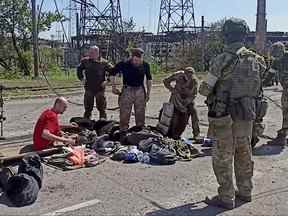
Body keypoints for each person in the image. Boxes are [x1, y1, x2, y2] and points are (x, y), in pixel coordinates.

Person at [199, 18, 266, 209]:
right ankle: (245, 191)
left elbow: (205, 89)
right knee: (244, 152)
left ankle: (226, 197)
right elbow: (261, 85)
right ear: (244, 35)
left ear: (226, 35)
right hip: (247, 115)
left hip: (225, 116)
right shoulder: (257, 59)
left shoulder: (222, 59)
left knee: (222, 156)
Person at [110, 48, 152, 140]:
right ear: (132, 57)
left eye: (139, 59)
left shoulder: (145, 65)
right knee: (125, 112)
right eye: (135, 59)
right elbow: (112, 73)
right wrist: (113, 87)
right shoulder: (124, 64)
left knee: (140, 112)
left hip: (140, 90)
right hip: (127, 90)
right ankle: (123, 132)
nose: (137, 62)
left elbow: (149, 79)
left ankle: (139, 130)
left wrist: (148, 93)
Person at [163, 67, 200, 139]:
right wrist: (172, 89)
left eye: (191, 76)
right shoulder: (178, 75)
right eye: (187, 75)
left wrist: (185, 103)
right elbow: (165, 81)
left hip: (187, 100)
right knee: (171, 114)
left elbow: (193, 95)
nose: (189, 77)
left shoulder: (195, 81)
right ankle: (168, 132)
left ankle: (196, 134)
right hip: (176, 99)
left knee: (194, 112)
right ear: (184, 74)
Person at [77, 46, 113, 120]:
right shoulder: (85, 61)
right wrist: (82, 79)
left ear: (97, 53)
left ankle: (102, 120)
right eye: (89, 52)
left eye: (92, 53)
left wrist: (107, 81)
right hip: (89, 87)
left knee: (101, 107)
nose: (90, 54)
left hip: (100, 88)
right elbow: (79, 69)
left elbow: (113, 71)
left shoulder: (104, 62)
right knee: (88, 106)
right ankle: (87, 120)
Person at [268, 42, 288, 146]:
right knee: (285, 110)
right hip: (286, 89)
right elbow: (270, 75)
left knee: (286, 110)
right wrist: (260, 84)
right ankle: (284, 133)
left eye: (277, 54)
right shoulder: (276, 62)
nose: (276, 57)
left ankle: (283, 135)